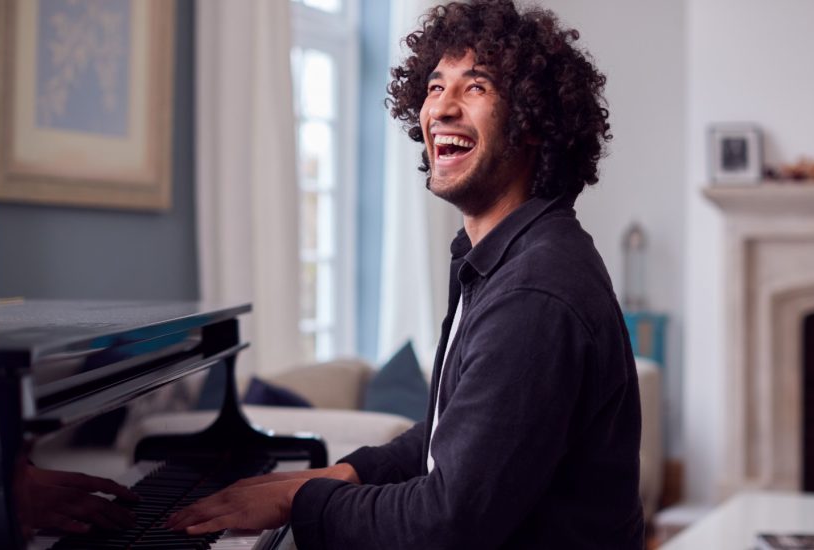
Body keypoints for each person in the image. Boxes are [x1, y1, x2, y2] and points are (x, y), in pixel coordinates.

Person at [167, 0, 644, 547]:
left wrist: (299, 501)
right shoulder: (503, 257)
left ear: (533, 123)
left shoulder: (534, 292)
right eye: (436, 86)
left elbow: (445, 522)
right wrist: (346, 473)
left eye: (476, 87)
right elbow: (460, 437)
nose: (441, 108)